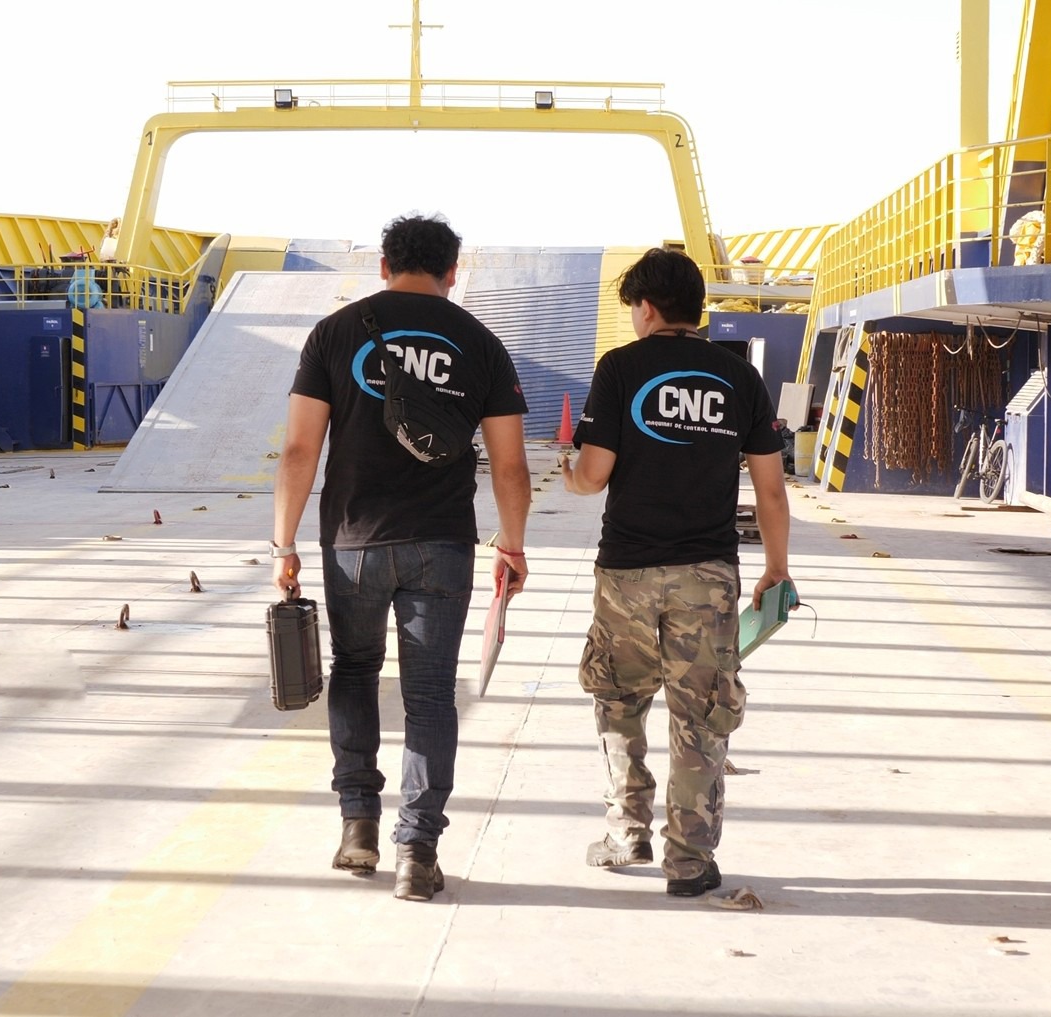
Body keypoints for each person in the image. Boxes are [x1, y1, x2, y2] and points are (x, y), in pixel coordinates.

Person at [272, 214, 531, 903]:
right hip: (443, 543)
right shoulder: (481, 343)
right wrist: (512, 541)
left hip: (353, 542)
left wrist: (284, 541)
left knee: (354, 670)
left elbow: (300, 449)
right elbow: (510, 465)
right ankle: (417, 851)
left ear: (384, 264)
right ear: (454, 270)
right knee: (429, 694)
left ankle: (358, 825)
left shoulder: (336, 332)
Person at [560, 247, 790, 897]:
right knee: (702, 714)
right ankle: (688, 859)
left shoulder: (621, 367)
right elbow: (771, 490)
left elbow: (594, 470)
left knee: (618, 698)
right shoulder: (738, 379)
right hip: (707, 575)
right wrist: (776, 567)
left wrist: (572, 477)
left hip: (627, 572)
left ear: (647, 307)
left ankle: (627, 829)